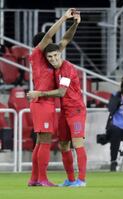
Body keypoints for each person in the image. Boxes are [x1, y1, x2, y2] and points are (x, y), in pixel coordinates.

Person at [27, 18, 88, 187]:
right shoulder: (37, 56)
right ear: (42, 45)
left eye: (55, 54)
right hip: (42, 102)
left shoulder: (54, 60)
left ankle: (37, 179)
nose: (54, 55)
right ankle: (42, 178)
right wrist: (63, 18)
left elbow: (66, 40)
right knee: (46, 141)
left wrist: (75, 23)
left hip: (66, 107)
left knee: (44, 141)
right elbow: (48, 36)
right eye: (50, 49)